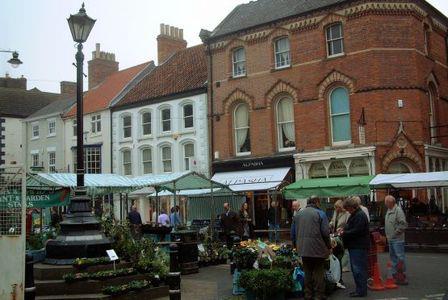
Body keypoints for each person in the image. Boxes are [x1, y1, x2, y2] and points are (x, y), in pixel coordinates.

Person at [295, 196, 331, 300]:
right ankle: (319, 295)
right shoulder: (320, 213)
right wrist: (328, 246)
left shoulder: (299, 214)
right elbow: (325, 232)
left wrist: (296, 245)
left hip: (303, 248)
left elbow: (294, 232)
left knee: (307, 271)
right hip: (317, 247)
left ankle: (308, 294)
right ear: (316, 202)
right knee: (318, 272)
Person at [338, 197, 369, 298]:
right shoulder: (356, 214)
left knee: (358, 269)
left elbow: (357, 231)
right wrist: (344, 229)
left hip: (358, 246)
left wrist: (344, 232)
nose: (347, 211)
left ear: (352, 207)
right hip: (356, 246)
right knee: (357, 268)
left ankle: (361, 291)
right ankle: (360, 289)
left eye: (348, 209)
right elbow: (353, 228)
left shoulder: (359, 215)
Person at [384, 195, 408, 285]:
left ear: (390, 202)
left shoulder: (398, 211)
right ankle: (394, 274)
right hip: (391, 238)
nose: (385, 204)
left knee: (399, 257)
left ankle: (402, 275)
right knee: (393, 257)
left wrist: (395, 233)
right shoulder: (389, 210)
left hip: (397, 239)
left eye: (386, 202)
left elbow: (403, 224)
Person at [330, 200, 351, 273]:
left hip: (342, 233)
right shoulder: (335, 212)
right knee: (336, 249)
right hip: (335, 233)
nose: (336, 209)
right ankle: (338, 265)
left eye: (337, 207)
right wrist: (331, 224)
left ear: (341, 207)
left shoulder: (346, 213)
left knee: (344, 250)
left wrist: (342, 228)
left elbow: (348, 223)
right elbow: (333, 221)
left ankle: (343, 266)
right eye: (335, 207)